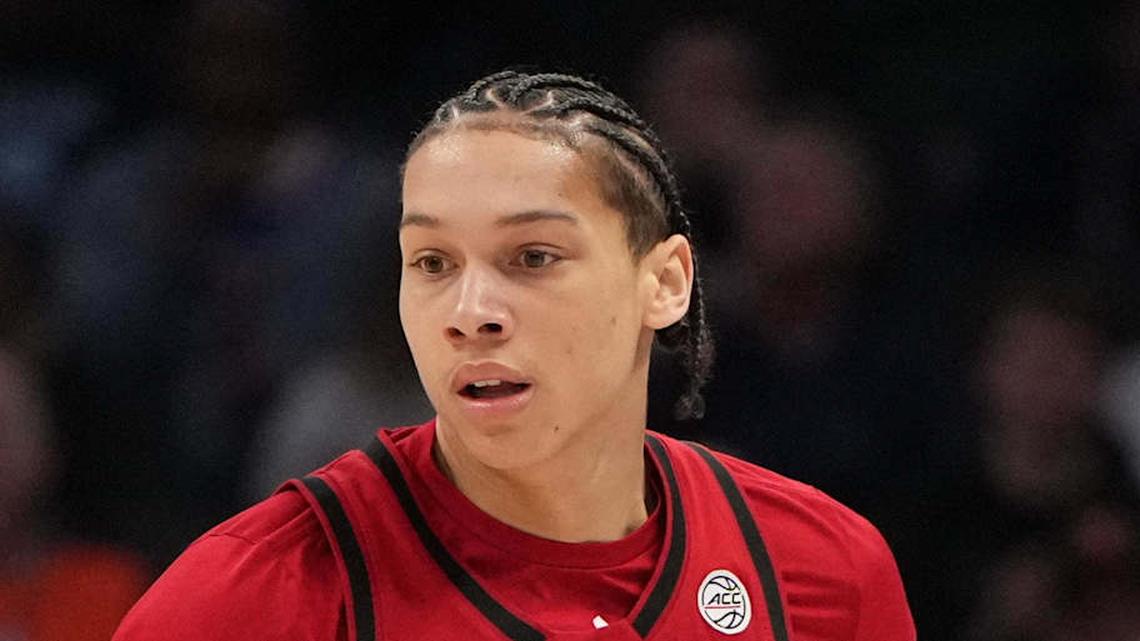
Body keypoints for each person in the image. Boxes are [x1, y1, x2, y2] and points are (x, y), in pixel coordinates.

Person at [113, 70, 914, 641]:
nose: (471, 314)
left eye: (533, 256)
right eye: (433, 262)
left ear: (666, 282)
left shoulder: (824, 572)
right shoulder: (257, 592)